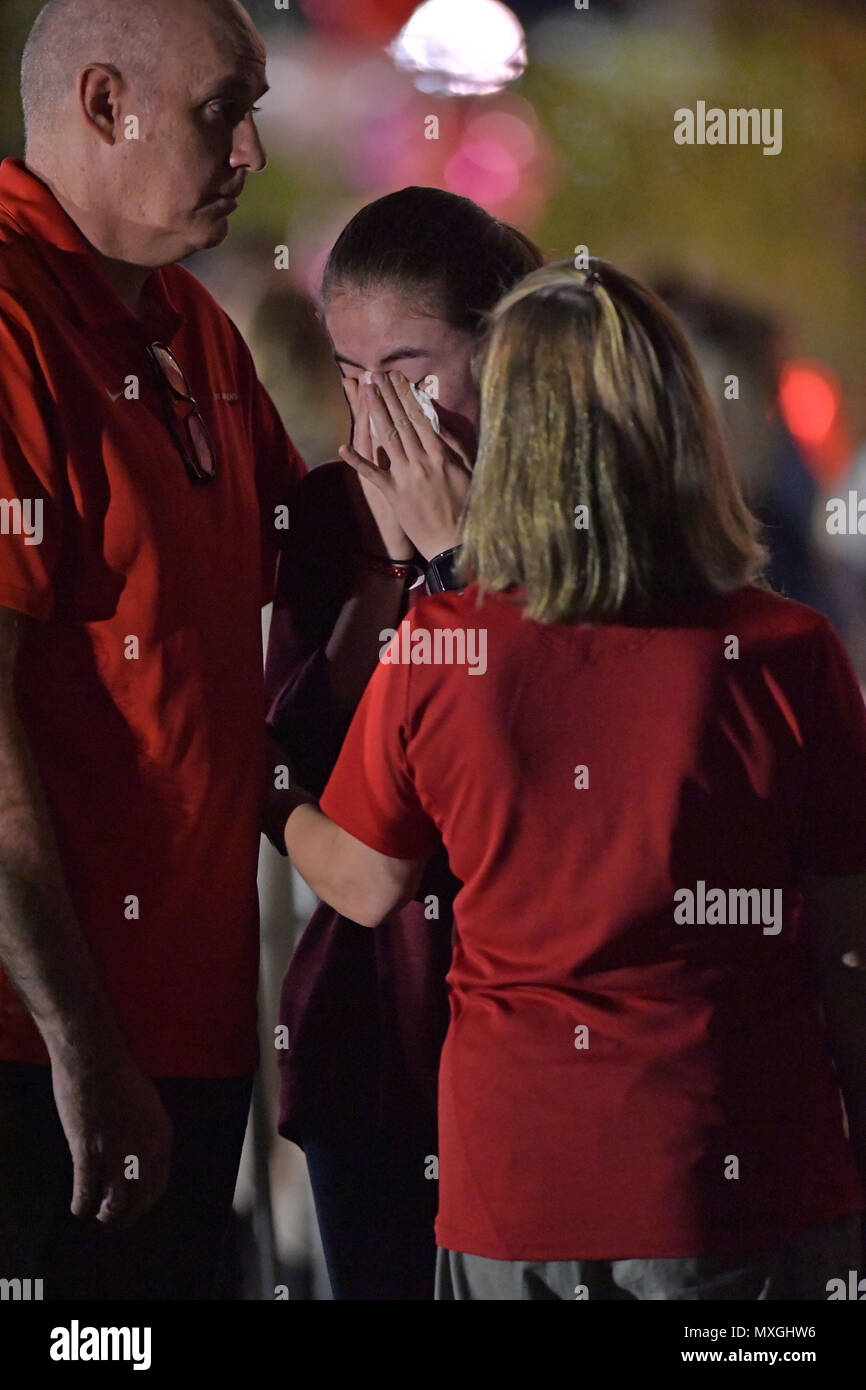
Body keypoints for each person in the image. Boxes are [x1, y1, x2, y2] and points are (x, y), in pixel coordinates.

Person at [274, 259, 866, 1300]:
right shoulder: (785, 653)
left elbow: (362, 880)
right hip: (737, 1183)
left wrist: (260, 784)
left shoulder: (442, 645)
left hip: (518, 1192)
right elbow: (844, 944)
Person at [0, 0, 305, 1299]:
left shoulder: (192, 322)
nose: (250, 153)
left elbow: (322, 550)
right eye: (220, 112)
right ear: (105, 104)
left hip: (187, 1031)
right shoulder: (12, 324)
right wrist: (79, 1040)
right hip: (40, 1055)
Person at [263, 187, 543, 1298]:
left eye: (412, 371)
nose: (380, 414)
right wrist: (387, 580)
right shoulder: (327, 518)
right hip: (372, 1028)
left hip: (531, 1028)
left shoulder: (567, 507)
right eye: (349, 373)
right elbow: (306, 764)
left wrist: (455, 563)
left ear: (502, 346)